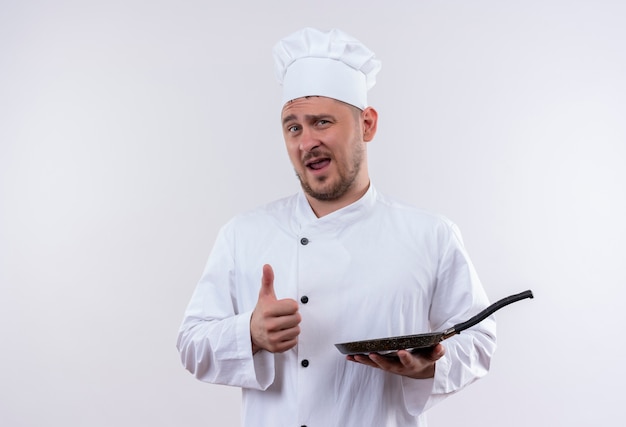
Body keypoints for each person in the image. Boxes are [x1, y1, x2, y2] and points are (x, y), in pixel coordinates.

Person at [177, 27, 496, 427]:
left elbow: (481, 340)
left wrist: (428, 367)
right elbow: (190, 343)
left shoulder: (431, 235)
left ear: (367, 124)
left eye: (322, 122)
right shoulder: (243, 234)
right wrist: (249, 334)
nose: (306, 141)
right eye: (293, 127)